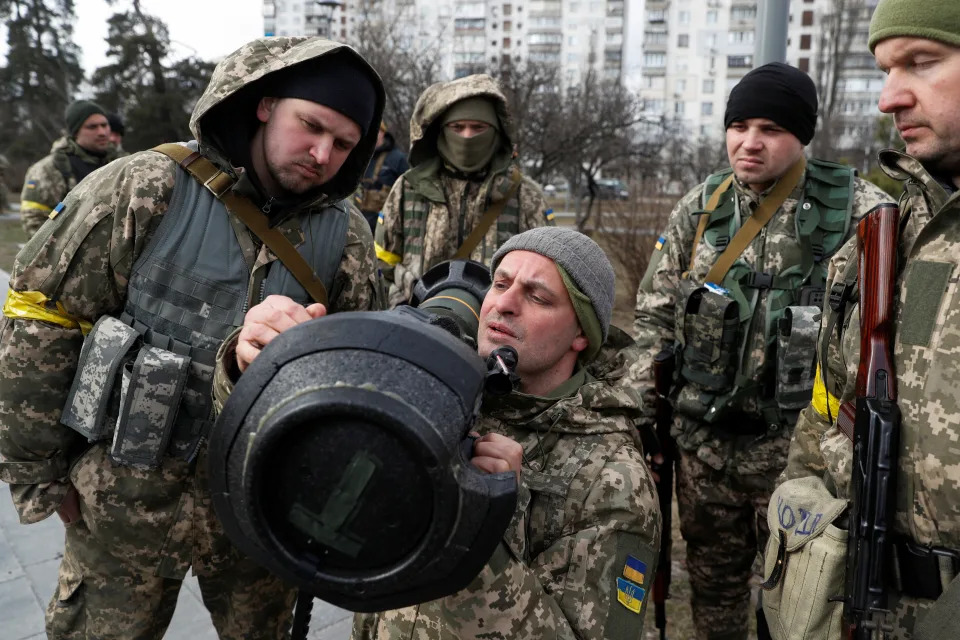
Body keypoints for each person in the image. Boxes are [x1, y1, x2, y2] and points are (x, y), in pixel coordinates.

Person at [0, 36, 385, 639]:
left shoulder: (348, 237)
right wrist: (38, 471)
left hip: (260, 521)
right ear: (264, 104)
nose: (322, 153)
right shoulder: (145, 187)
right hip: (120, 506)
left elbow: (362, 374)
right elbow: (42, 320)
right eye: (310, 125)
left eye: (344, 143)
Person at [218, 226, 661, 639]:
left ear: (581, 334)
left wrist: (476, 530)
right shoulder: (439, 385)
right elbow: (289, 444)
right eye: (501, 283)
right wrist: (255, 366)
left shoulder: (610, 478)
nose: (503, 304)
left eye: (538, 297)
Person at [632, 62, 891, 640]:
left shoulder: (861, 211)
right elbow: (653, 315)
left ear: (801, 136)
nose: (749, 142)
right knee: (715, 593)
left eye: (770, 128)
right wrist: (642, 419)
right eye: (739, 125)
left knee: (798, 602)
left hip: (800, 458)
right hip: (704, 446)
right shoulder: (700, 209)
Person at [779, 1, 960, 637]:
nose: (888, 98)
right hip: (858, 604)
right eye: (885, 69)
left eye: (921, 62)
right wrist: (795, 568)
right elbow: (824, 405)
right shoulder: (883, 233)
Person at [375, 74, 552, 308]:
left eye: (478, 127)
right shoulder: (409, 189)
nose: (467, 136)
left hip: (496, 331)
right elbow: (380, 264)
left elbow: (545, 276)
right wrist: (404, 304)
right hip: (416, 325)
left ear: (496, 132)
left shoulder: (524, 196)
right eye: (457, 127)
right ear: (442, 131)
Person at [19, 100, 120, 237]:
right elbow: (34, 222)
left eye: (104, 125)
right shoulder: (46, 170)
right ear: (76, 131)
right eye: (92, 127)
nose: (102, 132)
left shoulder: (122, 162)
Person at [355, 121, 409, 232]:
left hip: (386, 228)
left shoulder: (397, 158)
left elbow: (408, 193)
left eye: (376, 131)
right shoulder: (359, 157)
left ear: (383, 132)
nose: (371, 135)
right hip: (359, 226)